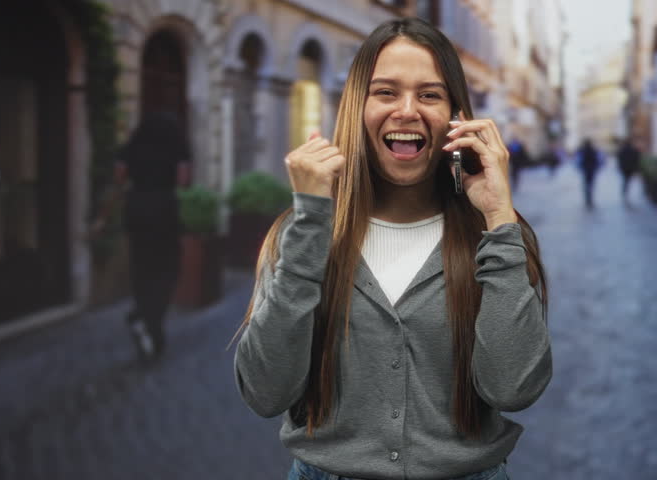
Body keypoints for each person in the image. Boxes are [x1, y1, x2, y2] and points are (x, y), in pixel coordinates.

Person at [233, 18, 551, 480]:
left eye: (429, 94)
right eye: (385, 92)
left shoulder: (497, 234)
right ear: (356, 108)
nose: (407, 110)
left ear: (457, 117)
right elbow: (265, 392)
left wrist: (500, 215)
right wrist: (310, 220)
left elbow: (514, 388)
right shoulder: (298, 234)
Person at [92, 111, 191, 361]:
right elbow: (182, 181)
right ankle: (151, 319)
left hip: (136, 208)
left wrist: (103, 218)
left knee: (141, 266)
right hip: (164, 208)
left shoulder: (131, 148)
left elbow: (118, 181)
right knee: (168, 267)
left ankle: (142, 314)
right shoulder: (177, 146)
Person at [575, 138, 603, 209]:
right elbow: (599, 160)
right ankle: (590, 198)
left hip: (585, 170)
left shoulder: (582, 151)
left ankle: (588, 198)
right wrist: (598, 167)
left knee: (586, 184)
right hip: (592, 170)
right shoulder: (594, 150)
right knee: (591, 184)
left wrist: (579, 168)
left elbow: (578, 160)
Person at [616, 137, 641, 204]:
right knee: (627, 180)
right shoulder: (633, 150)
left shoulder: (622, 150)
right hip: (630, 168)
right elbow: (637, 159)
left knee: (626, 180)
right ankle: (625, 191)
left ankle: (625, 191)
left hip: (624, 168)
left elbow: (619, 159)